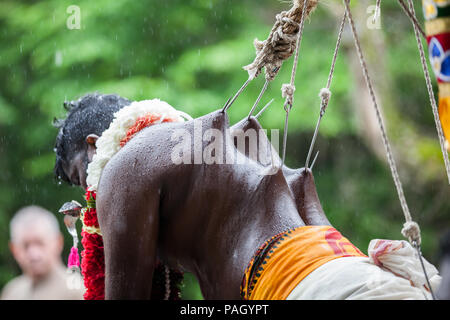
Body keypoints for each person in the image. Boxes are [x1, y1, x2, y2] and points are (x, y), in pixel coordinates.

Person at [53, 92, 440, 299]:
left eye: (80, 176)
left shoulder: (124, 167)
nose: (90, 194)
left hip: (304, 289)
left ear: (94, 147)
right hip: (372, 277)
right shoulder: (225, 146)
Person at [1, 206, 84, 300]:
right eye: (25, 246)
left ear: (58, 242)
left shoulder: (78, 291)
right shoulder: (11, 293)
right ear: (14, 249)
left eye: (40, 243)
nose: (33, 254)